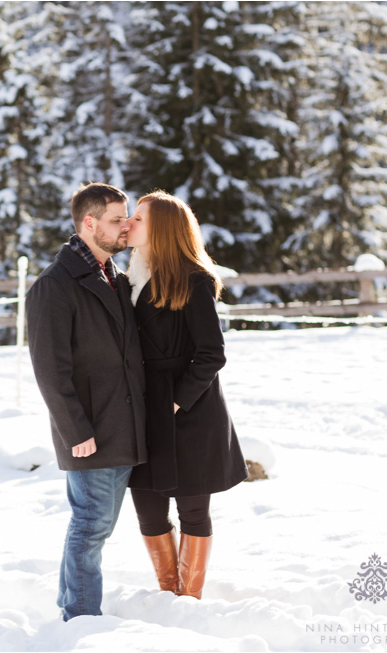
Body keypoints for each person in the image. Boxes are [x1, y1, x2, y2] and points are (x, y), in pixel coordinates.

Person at [26, 182, 148, 621]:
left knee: (96, 526)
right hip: (90, 431)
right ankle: (80, 618)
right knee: (91, 525)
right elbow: (49, 370)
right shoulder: (53, 286)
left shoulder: (113, 275)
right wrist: (76, 430)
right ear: (89, 223)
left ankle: (69, 602)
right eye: (117, 220)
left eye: (127, 218)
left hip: (122, 424)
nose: (125, 227)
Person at [123, 190, 248, 600]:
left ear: (161, 229)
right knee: (148, 508)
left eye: (138, 219)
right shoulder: (130, 279)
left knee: (193, 509)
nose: (129, 224)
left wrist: (176, 400)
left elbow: (211, 354)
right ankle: (167, 593)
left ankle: (188, 600)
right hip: (143, 409)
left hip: (189, 411)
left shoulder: (194, 279)